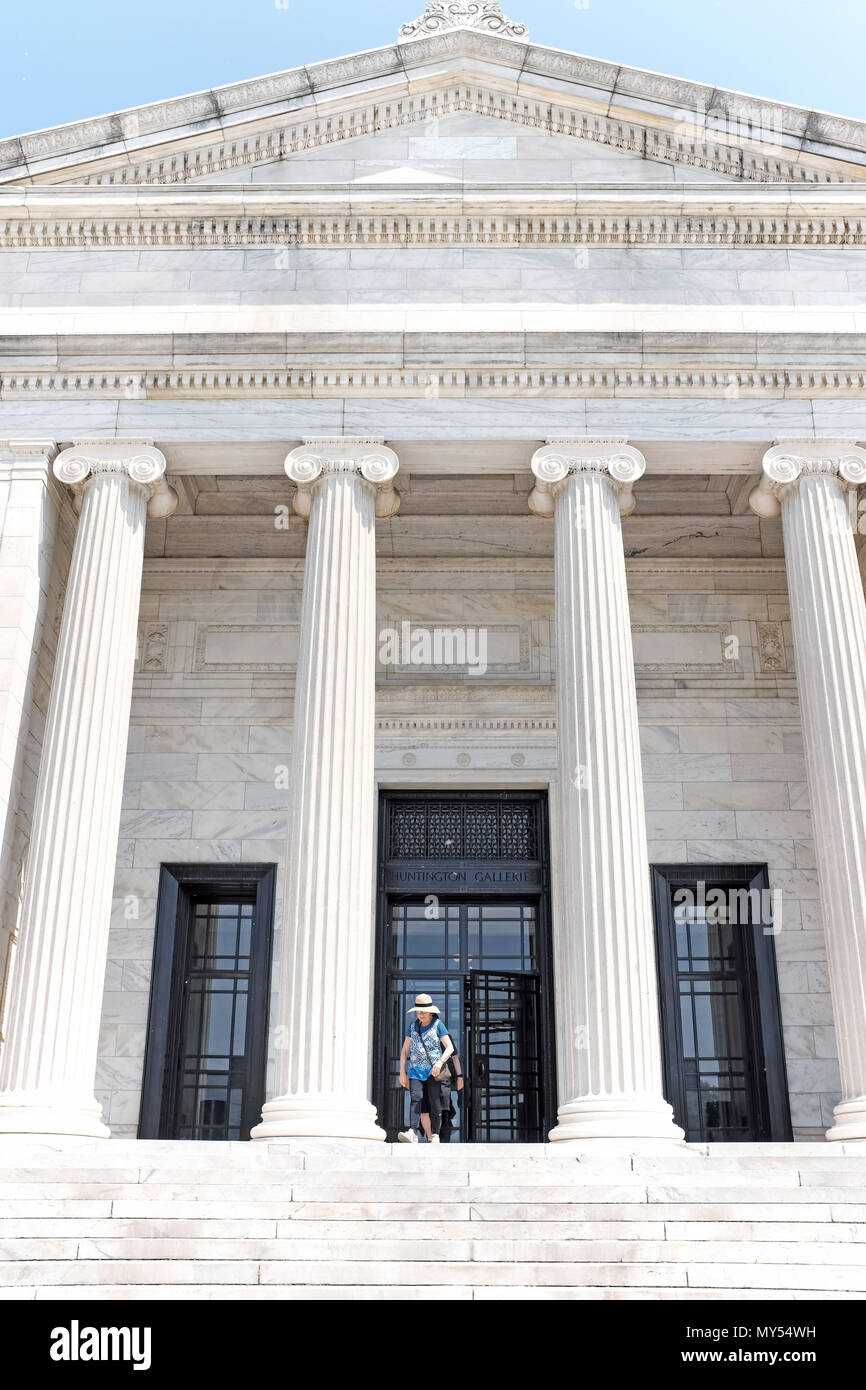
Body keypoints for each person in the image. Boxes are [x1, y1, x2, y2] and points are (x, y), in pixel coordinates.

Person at [397, 993, 454, 1144]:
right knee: (416, 1099)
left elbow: (450, 1048)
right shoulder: (412, 1027)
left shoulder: (438, 1025)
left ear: (430, 1012)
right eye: (418, 1011)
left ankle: (435, 1134)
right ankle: (413, 1132)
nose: (420, 1014)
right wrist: (402, 1071)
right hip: (415, 1071)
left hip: (433, 1072)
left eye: (423, 1011)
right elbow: (404, 1051)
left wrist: (439, 1062)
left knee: (435, 1103)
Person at [420, 1046, 464, 1143]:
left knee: (443, 1114)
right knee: (429, 1112)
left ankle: (440, 1141)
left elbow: (455, 1057)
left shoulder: (445, 1037)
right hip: (430, 1081)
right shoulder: (425, 1034)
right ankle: (431, 1138)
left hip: (442, 1081)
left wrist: (460, 1076)